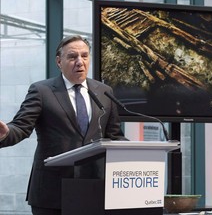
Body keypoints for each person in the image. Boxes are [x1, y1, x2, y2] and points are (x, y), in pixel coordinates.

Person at [0, 35, 127, 215]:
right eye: (72, 57)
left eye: (84, 56)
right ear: (59, 61)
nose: (80, 62)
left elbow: (114, 135)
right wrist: (5, 133)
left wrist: (136, 152)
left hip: (95, 188)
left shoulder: (104, 92)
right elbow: (21, 127)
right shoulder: (42, 91)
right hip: (53, 190)